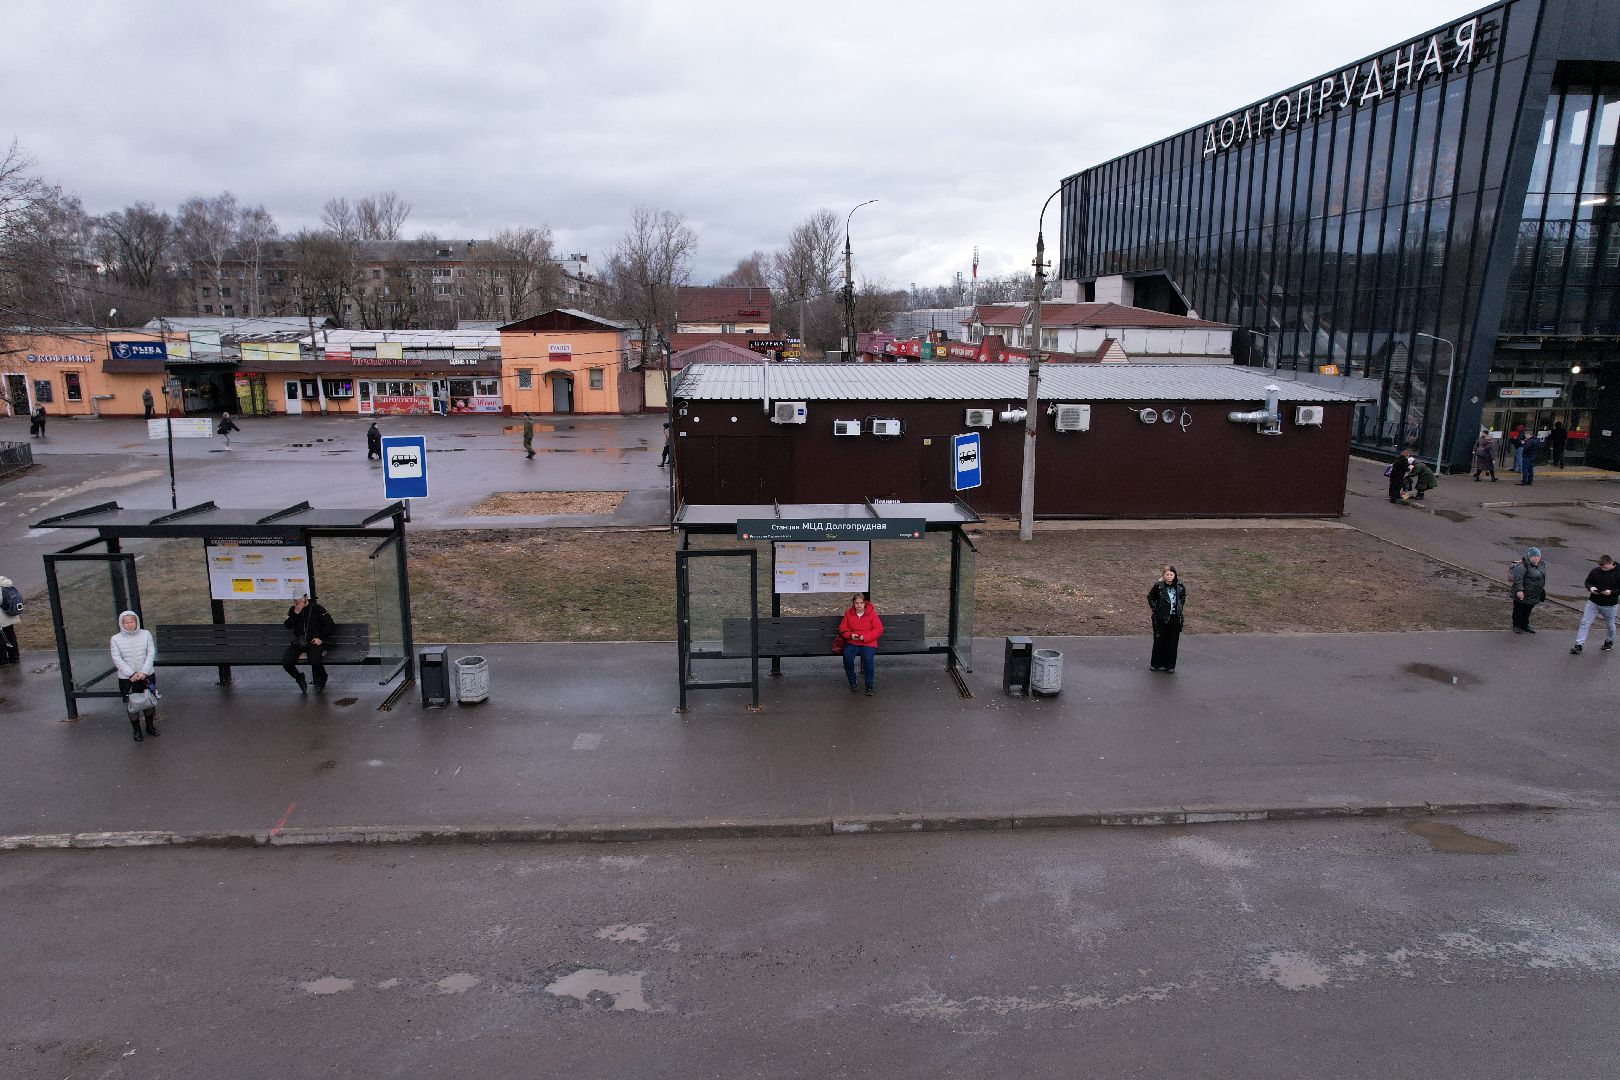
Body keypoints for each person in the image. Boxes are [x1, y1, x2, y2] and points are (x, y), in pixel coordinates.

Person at [110, 611, 159, 741]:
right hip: (127, 678)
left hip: (146, 675)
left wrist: (144, 671)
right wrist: (131, 673)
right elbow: (117, 658)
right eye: (126, 623)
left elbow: (151, 652)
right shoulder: (116, 639)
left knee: (148, 702)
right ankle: (136, 730)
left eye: (131, 622)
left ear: (136, 622)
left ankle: (150, 726)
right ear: (122, 624)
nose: (129, 625)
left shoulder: (146, 634)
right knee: (133, 705)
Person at [282, 593, 336, 692]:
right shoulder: (293, 610)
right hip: (299, 641)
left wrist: (320, 638)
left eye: (300, 598)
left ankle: (322, 678)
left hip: (313, 640)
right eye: (295, 599)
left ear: (306, 597)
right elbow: (288, 625)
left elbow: (330, 625)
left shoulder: (317, 608)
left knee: (315, 661)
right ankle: (299, 678)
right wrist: (295, 613)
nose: (297, 601)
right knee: (286, 662)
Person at [1571, 554, 1619, 655]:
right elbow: (1588, 582)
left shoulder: (1618, 573)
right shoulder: (1595, 571)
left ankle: (1609, 641)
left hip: (1610, 605)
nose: (1602, 569)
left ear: (1611, 564)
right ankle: (1579, 645)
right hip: (1593, 602)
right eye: (1601, 567)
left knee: (1610, 624)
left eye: (1604, 567)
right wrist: (1591, 588)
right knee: (1585, 622)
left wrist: (1611, 592)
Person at [838, 591, 883, 697]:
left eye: (861, 603)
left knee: (868, 661)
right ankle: (852, 682)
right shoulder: (849, 613)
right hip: (853, 641)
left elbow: (878, 629)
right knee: (847, 657)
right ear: (853, 603)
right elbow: (842, 628)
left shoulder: (871, 613)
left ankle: (869, 685)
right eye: (856, 603)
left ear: (865, 603)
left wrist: (865, 637)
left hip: (868, 642)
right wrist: (850, 635)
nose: (859, 605)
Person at [1147, 565, 1187, 673]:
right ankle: (1156, 664)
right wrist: (1156, 609)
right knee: (1159, 641)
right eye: (1167, 574)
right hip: (1161, 618)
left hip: (1175, 618)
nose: (1169, 576)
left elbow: (1183, 597)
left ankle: (1170, 666)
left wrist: (1180, 606)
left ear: (1174, 575)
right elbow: (1150, 597)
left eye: (1171, 574)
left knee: (1173, 642)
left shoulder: (1179, 586)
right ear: (1163, 575)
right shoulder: (1158, 586)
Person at [1510, 547, 1547, 634]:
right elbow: (1518, 579)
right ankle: (1517, 625)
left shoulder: (1541, 564)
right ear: (1530, 557)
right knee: (1519, 609)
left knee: (1528, 609)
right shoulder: (1523, 566)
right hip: (1523, 593)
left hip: (1534, 594)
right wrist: (1519, 591)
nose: (1537, 558)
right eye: (1534, 556)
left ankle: (1525, 624)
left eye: (1538, 556)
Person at [0, 574, 21, 665]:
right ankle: (15, 657)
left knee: (1, 638)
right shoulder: (6, 584)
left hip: (2, 618)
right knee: (10, 635)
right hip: (10, 615)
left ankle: (2, 660)